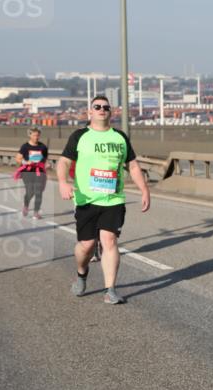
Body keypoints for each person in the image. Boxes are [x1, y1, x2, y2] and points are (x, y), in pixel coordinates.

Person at [57, 96, 150, 304]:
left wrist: (144, 189)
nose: (101, 110)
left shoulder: (120, 138)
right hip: (86, 200)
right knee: (87, 245)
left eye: (106, 107)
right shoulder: (80, 136)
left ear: (111, 112)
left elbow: (133, 166)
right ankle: (82, 273)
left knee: (109, 241)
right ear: (90, 112)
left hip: (113, 200)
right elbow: (63, 162)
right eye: (97, 107)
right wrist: (62, 182)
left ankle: (110, 290)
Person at [15, 127, 49, 218]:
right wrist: (26, 162)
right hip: (27, 172)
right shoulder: (25, 147)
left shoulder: (43, 147)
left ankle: (36, 212)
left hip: (39, 171)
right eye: (34, 135)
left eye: (38, 135)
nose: (36, 137)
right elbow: (18, 159)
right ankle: (26, 205)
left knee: (38, 192)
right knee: (30, 191)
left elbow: (45, 159)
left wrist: (47, 164)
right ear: (30, 135)